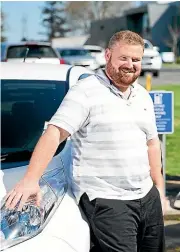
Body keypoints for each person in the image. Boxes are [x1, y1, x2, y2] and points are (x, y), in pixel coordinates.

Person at [5, 30, 166, 252]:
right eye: (124, 58)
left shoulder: (142, 95)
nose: (130, 64)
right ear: (108, 55)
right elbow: (54, 133)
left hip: (147, 197)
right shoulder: (86, 91)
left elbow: (152, 143)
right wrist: (30, 180)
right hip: (108, 200)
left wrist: (158, 188)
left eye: (136, 59)